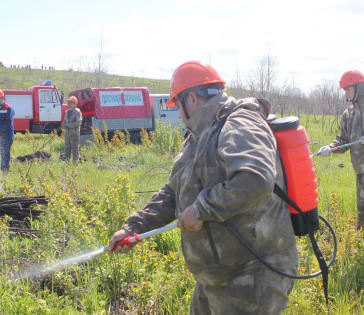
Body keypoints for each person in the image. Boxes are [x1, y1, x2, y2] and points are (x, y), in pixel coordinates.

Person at [109, 61, 298, 314]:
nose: (178, 114)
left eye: (178, 105)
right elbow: (174, 191)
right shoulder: (199, 134)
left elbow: (255, 179)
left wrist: (200, 209)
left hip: (252, 277)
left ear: (192, 99)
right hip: (216, 276)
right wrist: (134, 228)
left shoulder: (241, 122)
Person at [318, 70, 364, 229]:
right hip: (361, 170)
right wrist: (330, 148)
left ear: (359, 87)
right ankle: (360, 242)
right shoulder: (349, 113)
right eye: (345, 91)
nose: (347, 94)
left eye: (349, 89)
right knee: (362, 209)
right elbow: (343, 140)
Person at [61, 96, 82, 163]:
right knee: (67, 149)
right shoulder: (67, 112)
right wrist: (63, 124)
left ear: (75, 104)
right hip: (67, 134)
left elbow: (78, 123)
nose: (69, 104)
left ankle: (75, 165)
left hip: (74, 134)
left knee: (75, 150)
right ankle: (67, 163)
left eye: (71, 103)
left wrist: (68, 125)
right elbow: (65, 121)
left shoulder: (77, 112)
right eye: (68, 103)